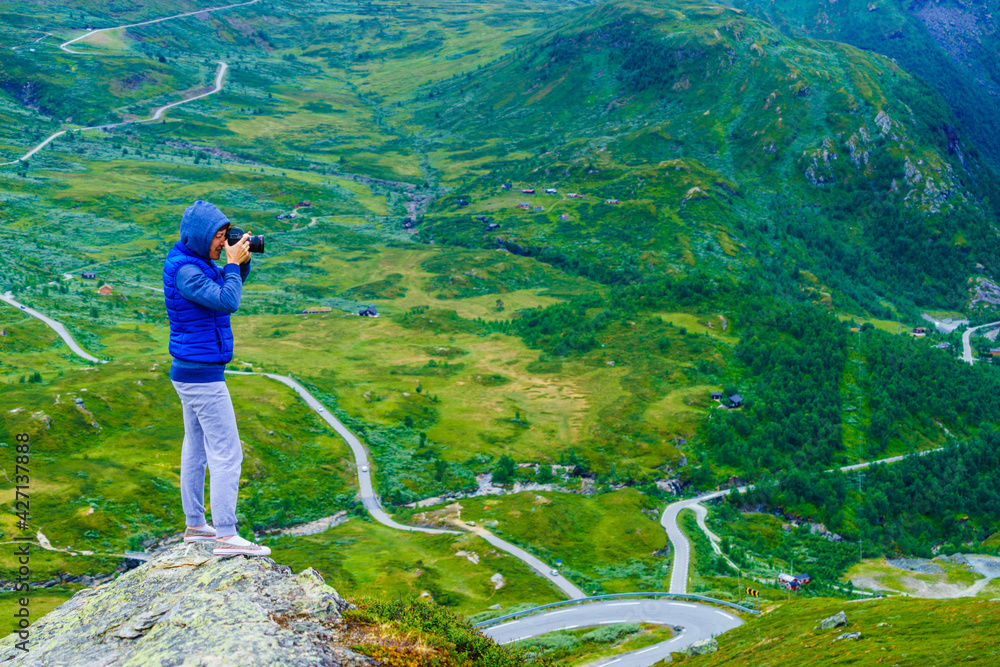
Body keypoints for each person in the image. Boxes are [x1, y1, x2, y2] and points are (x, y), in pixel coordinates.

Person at [163, 200, 270, 557]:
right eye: (218, 237)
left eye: (226, 237)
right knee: (227, 452)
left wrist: (242, 262)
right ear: (198, 237)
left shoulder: (194, 262)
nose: (221, 244)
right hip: (202, 376)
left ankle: (196, 525)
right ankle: (226, 534)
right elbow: (228, 300)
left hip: (193, 371)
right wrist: (232, 265)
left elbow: (227, 288)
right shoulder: (187, 272)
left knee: (195, 448)